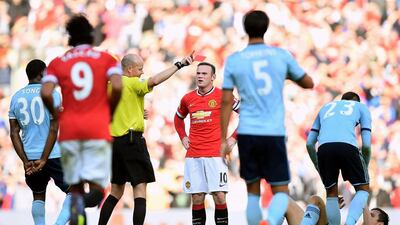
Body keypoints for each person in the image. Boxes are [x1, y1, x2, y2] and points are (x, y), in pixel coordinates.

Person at [220, 10, 314, 225]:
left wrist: (222, 139)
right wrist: (286, 73)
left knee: (252, 191)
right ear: (266, 28)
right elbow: (309, 83)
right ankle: (271, 222)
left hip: (247, 132)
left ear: (245, 29)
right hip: (273, 132)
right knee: (280, 190)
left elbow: (226, 101)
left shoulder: (234, 60)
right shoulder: (280, 56)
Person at [41, 15, 123, 225]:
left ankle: (77, 210)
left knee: (75, 188)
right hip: (97, 128)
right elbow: (118, 85)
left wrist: (57, 114)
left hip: (69, 130)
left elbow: (46, 92)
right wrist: (109, 112)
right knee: (97, 190)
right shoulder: (106, 59)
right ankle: (84, 205)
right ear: (91, 34)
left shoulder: (57, 62)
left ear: (70, 37)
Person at [98, 53, 193, 225]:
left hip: (114, 143)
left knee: (116, 191)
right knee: (140, 189)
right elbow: (155, 80)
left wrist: (137, 112)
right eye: (140, 69)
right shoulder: (133, 82)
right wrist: (178, 65)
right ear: (129, 69)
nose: (142, 73)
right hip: (132, 141)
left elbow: (114, 108)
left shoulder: (110, 85)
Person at [174, 62, 239, 225]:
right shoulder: (188, 98)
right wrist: (183, 136)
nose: (200, 76)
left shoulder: (224, 96)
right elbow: (178, 118)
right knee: (197, 198)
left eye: (204, 74)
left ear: (213, 77)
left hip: (216, 154)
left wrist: (233, 138)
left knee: (219, 195)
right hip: (194, 154)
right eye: (198, 73)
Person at [9, 59, 71, 225]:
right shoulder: (52, 94)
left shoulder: (16, 97)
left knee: (38, 195)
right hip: (52, 154)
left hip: (29, 156)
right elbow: (53, 128)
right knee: (75, 192)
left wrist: (25, 160)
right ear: (42, 73)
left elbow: (14, 133)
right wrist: (44, 158)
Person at [306, 91, 372, 225]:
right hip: (347, 146)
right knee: (363, 189)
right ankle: (349, 223)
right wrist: (365, 166)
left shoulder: (325, 108)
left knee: (331, 193)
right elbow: (366, 146)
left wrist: (318, 166)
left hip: (324, 149)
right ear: (356, 101)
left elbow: (309, 143)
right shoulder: (361, 107)